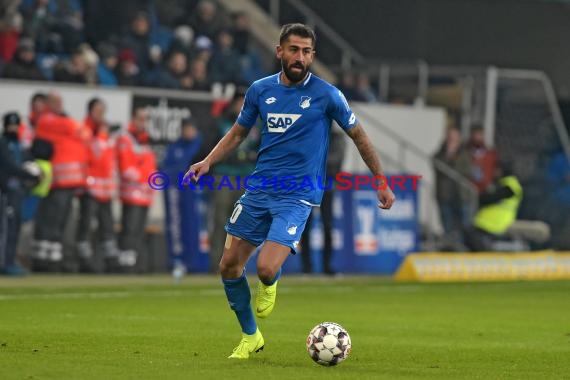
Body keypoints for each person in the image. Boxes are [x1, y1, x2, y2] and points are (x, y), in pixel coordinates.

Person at [184, 23, 395, 359]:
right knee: (228, 267)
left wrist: (380, 179)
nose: (300, 57)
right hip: (259, 190)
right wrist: (207, 162)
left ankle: (270, 282)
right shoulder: (259, 90)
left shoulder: (327, 95)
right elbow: (238, 133)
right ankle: (250, 336)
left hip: (297, 195)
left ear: (312, 55)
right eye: (294, 50)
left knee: (266, 269)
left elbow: (359, 136)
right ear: (279, 51)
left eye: (307, 52)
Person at [33, 92, 90, 270]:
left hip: (70, 181)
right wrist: (76, 127)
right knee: (51, 217)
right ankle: (43, 257)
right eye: (55, 101)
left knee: (62, 219)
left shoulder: (62, 121)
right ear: (48, 103)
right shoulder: (47, 120)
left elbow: (83, 133)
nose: (59, 104)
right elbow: (77, 130)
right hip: (58, 180)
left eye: (60, 101)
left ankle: (54, 256)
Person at [209, 88, 260, 274]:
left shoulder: (257, 124)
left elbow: (263, 149)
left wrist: (250, 158)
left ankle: (237, 264)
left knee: (241, 223)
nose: (241, 106)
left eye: (244, 102)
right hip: (224, 175)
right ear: (232, 104)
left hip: (247, 176)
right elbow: (211, 147)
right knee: (220, 219)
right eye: (238, 102)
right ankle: (216, 263)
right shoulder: (222, 123)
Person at [76, 98, 118, 272]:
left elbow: (108, 161)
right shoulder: (84, 131)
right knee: (86, 224)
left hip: (105, 190)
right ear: (90, 111)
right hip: (89, 187)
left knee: (107, 225)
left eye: (103, 110)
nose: (101, 114)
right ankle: (83, 260)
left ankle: (109, 260)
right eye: (98, 110)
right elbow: (91, 156)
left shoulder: (104, 133)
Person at [116, 106, 157, 270]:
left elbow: (149, 167)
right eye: (140, 119)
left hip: (144, 194)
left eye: (145, 119)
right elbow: (127, 169)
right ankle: (125, 263)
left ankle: (135, 261)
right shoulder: (126, 138)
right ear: (133, 119)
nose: (143, 123)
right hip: (132, 193)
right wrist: (144, 179)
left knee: (139, 230)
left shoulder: (144, 140)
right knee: (130, 229)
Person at [300, 128, 346, 275]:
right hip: (308, 184)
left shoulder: (336, 138)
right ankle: (307, 267)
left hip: (327, 184)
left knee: (327, 226)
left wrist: (315, 159)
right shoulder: (309, 134)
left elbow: (336, 159)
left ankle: (327, 266)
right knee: (305, 227)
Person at [0, 112, 41, 276]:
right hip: (6, 191)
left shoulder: (20, 145)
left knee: (15, 227)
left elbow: (28, 161)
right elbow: (9, 166)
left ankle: (9, 260)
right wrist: (28, 175)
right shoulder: (3, 144)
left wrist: (35, 174)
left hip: (18, 191)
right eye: (10, 125)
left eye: (15, 125)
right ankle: (4, 262)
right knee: (7, 228)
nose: (13, 128)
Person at [463, 162, 523, 252]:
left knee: (470, 233)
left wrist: (482, 196)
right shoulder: (504, 184)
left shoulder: (509, 187)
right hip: (491, 221)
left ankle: (483, 254)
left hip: (495, 222)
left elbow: (490, 198)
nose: (494, 172)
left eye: (496, 170)